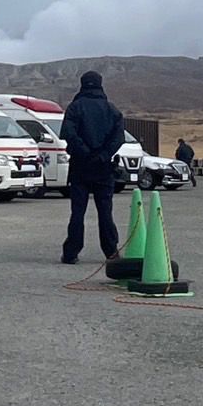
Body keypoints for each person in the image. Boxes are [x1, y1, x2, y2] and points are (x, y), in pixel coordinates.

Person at [60, 70, 124, 265]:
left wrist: (84, 152)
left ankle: (71, 252)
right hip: (103, 168)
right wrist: (103, 155)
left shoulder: (75, 107)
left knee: (77, 212)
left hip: (80, 166)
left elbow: (68, 133)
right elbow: (118, 138)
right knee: (105, 212)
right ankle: (111, 252)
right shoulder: (111, 109)